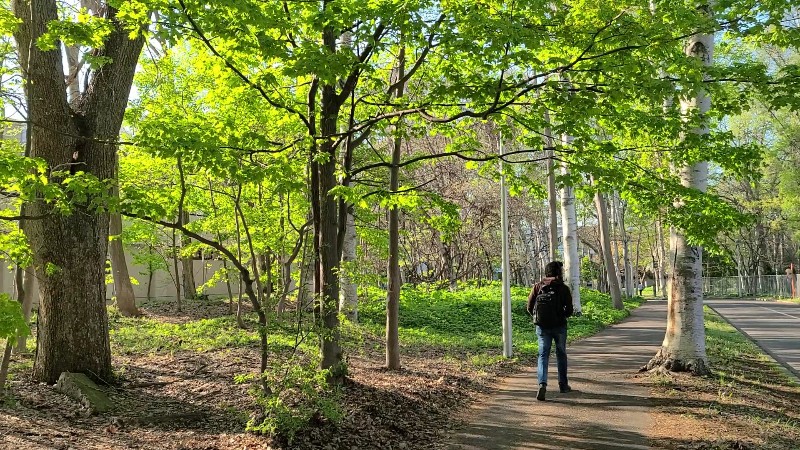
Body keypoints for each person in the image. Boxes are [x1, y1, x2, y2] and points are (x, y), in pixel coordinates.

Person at [527, 261, 574, 401]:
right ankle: (563, 385)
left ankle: (542, 383)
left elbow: (529, 307)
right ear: (558, 272)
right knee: (561, 354)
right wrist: (561, 317)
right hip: (559, 326)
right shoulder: (563, 288)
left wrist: (539, 319)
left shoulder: (537, 287)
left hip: (542, 327)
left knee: (543, 355)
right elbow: (570, 310)